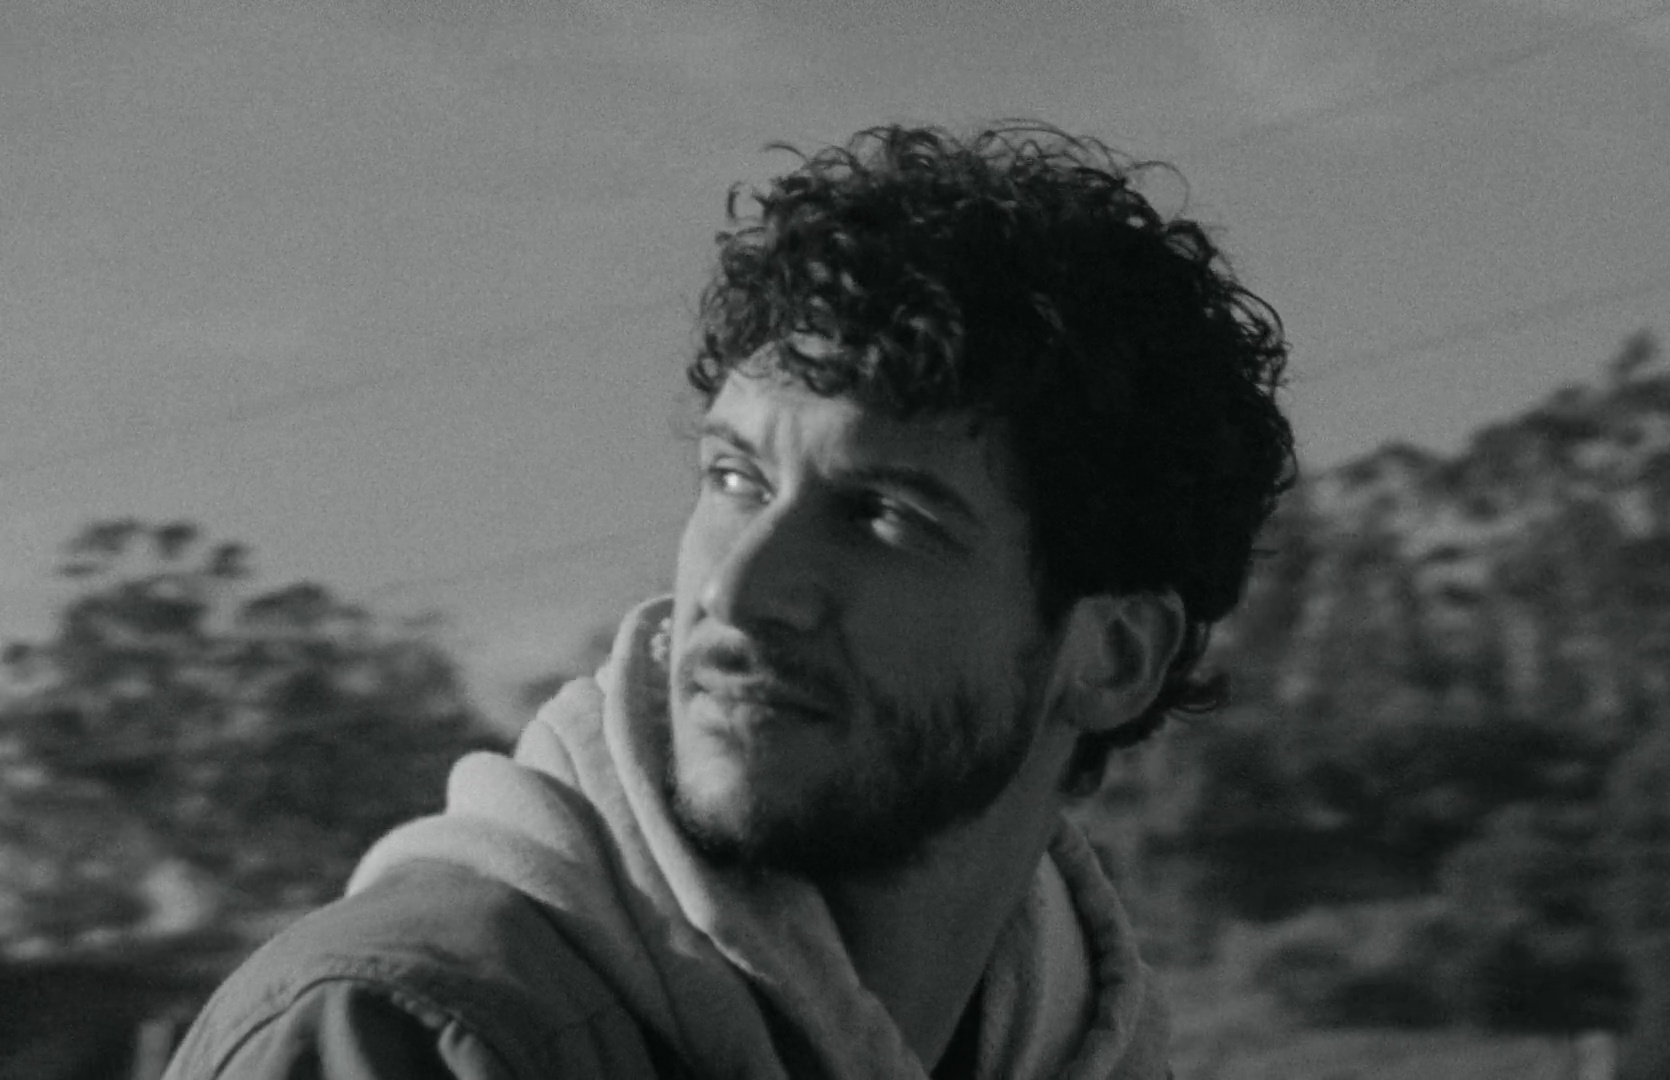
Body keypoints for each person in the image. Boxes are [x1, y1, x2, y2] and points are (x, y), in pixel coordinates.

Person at [163, 121, 1295, 1080]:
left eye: (885, 515)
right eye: (735, 481)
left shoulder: (1080, 1046)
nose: (740, 591)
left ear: (1113, 656)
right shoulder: (405, 1039)